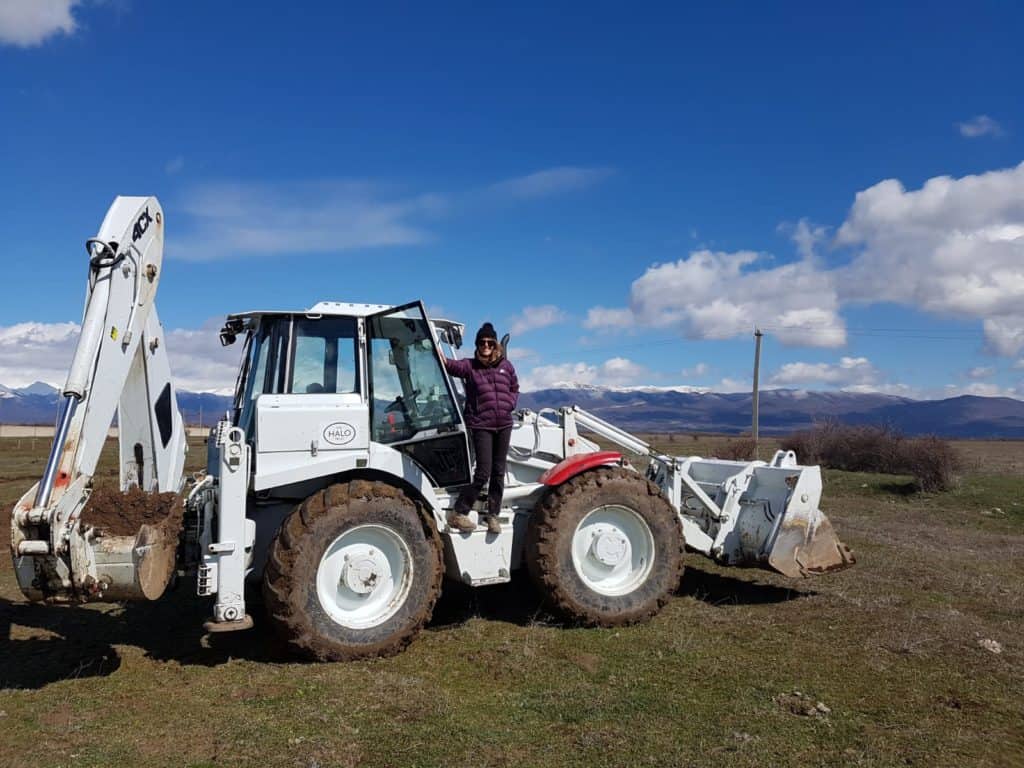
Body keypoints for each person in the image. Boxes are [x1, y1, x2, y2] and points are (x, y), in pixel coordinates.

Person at [443, 322, 519, 535]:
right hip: (481, 425)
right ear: (477, 345)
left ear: (495, 345)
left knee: (498, 472)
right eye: (481, 342)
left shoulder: (507, 366)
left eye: (489, 342)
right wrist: (434, 351)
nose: (485, 345)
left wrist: (510, 403)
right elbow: (449, 365)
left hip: (504, 424)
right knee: (483, 472)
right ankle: (459, 512)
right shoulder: (470, 366)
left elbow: (515, 387)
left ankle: (492, 515)